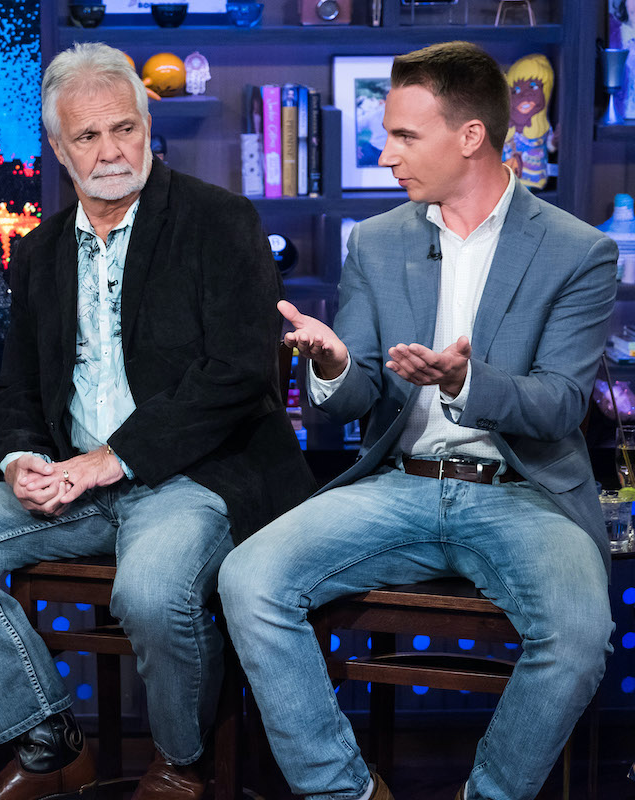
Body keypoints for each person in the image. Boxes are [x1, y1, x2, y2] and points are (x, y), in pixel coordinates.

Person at [0, 42, 313, 800]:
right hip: (79, 480)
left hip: (198, 476)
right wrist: (21, 458)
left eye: (124, 128)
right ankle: (49, 744)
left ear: (148, 127)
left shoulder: (219, 220)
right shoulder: (40, 251)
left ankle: (181, 764)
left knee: (150, 592)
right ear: (60, 150)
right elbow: (16, 385)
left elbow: (238, 373)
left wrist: (110, 459)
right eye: (87, 136)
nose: (111, 150)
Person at [219, 41, 617, 800]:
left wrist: (468, 382)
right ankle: (345, 792)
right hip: (399, 484)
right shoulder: (376, 241)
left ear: (470, 136)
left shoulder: (577, 252)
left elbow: (561, 404)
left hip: (521, 493)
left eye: (404, 135)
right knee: (249, 579)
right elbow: (355, 396)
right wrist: (334, 363)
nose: (385, 153)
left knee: (578, 634)